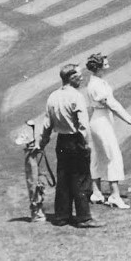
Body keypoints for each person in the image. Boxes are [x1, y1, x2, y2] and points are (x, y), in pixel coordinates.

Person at [39, 62, 98, 227]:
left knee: (63, 178)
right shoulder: (76, 96)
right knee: (80, 178)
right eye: (79, 76)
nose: (81, 79)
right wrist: (87, 144)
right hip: (76, 140)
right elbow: (83, 125)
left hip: (62, 142)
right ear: (72, 78)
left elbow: (47, 124)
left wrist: (42, 143)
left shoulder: (53, 96)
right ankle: (84, 217)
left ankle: (61, 216)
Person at [83, 51, 131, 208]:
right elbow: (112, 105)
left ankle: (96, 193)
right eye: (105, 63)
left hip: (99, 120)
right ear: (99, 66)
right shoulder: (96, 84)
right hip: (101, 121)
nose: (109, 65)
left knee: (98, 155)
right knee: (111, 155)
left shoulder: (98, 82)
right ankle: (114, 195)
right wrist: (129, 119)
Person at [21, 119, 49, 223]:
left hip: (35, 152)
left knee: (39, 179)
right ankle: (36, 211)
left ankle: (38, 210)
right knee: (33, 180)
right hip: (31, 153)